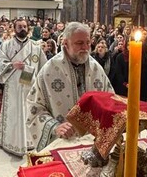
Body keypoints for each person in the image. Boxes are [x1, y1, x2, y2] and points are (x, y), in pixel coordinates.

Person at [26, 22, 114, 151]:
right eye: (79, 43)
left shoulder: (96, 69)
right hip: (62, 142)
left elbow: (110, 101)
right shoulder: (49, 71)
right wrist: (55, 127)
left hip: (93, 143)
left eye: (88, 42)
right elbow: (34, 108)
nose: (85, 47)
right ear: (65, 43)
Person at [0, 18, 46, 156]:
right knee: (13, 113)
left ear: (28, 28)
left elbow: (43, 68)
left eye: (24, 26)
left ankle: (29, 141)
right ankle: (11, 142)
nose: (22, 28)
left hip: (30, 86)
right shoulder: (6, 45)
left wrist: (27, 69)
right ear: (14, 28)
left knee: (29, 112)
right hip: (13, 86)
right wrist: (12, 65)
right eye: (19, 26)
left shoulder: (35, 47)